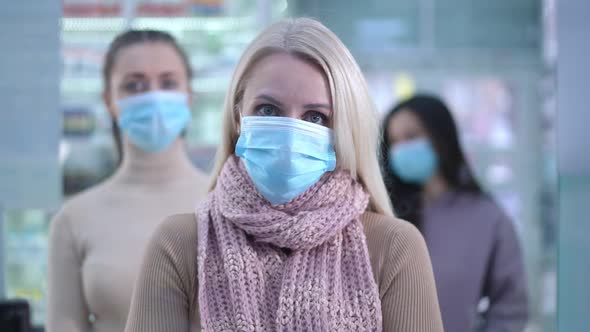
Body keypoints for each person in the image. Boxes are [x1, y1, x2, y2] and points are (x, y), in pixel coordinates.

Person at [124, 18, 444, 332]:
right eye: (268, 110)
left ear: (343, 129)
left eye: (315, 117)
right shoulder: (180, 243)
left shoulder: (393, 247)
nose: (291, 133)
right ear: (238, 117)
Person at [47, 30, 209, 332]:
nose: (152, 95)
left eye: (168, 82)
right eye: (134, 85)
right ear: (109, 101)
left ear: (188, 97)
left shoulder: (226, 205)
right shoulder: (73, 220)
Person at [379, 94, 528, 332]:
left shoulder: (486, 216)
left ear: (441, 138)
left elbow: (510, 305)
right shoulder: (385, 211)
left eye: (411, 137)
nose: (401, 149)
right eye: (394, 141)